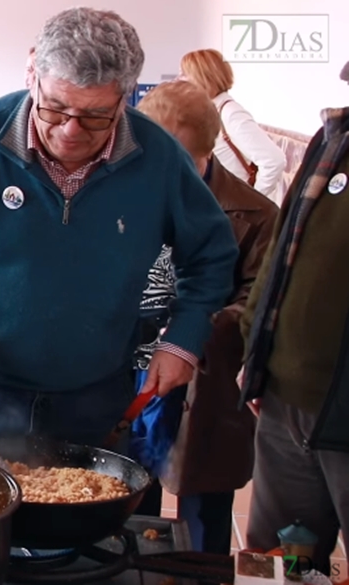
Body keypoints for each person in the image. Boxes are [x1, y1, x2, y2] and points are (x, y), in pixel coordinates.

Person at [0, 7, 238, 450]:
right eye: (55, 107)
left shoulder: (159, 158)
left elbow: (212, 253)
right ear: (32, 73)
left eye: (96, 116)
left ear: (125, 96)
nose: (71, 130)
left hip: (93, 396)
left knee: (85, 515)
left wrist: (184, 339)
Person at [132, 80, 277, 553]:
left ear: (208, 153)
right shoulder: (119, 195)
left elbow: (258, 298)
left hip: (206, 380)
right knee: (127, 505)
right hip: (126, 377)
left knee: (204, 518)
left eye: (183, 164)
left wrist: (195, 333)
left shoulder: (257, 214)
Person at [240, 60, 349, 577]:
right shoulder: (332, 140)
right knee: (277, 561)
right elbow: (284, 253)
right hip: (287, 401)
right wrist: (256, 353)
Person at [180, 49, 287, 205]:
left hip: (233, 208)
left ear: (204, 77)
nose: (179, 79)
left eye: (184, 74)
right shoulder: (209, 109)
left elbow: (274, 161)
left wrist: (250, 201)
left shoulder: (230, 113)